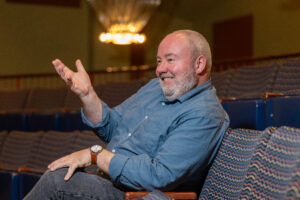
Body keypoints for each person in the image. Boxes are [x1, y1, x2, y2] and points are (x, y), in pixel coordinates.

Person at [24, 30, 229, 200]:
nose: (160, 69)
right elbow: (114, 127)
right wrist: (88, 96)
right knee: (60, 174)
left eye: (170, 60)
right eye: (159, 61)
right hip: (109, 181)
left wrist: (96, 155)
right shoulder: (154, 88)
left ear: (199, 64)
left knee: (57, 181)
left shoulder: (205, 113)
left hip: (137, 194)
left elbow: (159, 175)